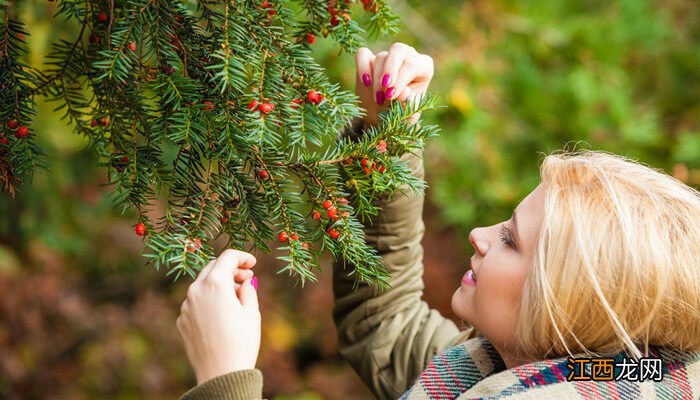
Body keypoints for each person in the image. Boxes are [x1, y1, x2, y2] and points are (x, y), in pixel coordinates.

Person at [177, 43, 700, 399]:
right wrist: (389, 138)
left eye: (511, 241)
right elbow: (386, 326)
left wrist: (224, 375)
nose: (480, 234)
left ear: (564, 307)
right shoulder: (577, 366)